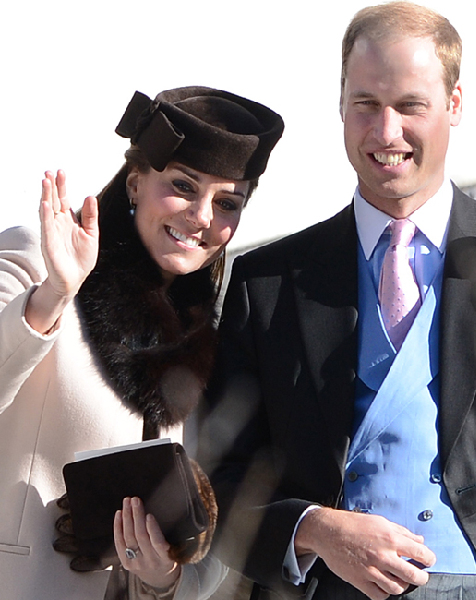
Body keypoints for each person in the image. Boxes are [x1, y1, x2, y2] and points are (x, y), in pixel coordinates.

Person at [203, 3, 476, 600]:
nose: (385, 132)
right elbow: (220, 479)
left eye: (410, 105)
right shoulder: (266, 281)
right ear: (340, 104)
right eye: (365, 103)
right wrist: (314, 528)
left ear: (455, 105)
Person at [0, 86, 283, 600]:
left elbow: (214, 528)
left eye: (227, 202)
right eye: (182, 185)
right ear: (135, 183)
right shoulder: (40, 261)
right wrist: (53, 297)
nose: (201, 216)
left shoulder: (215, 338)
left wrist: (165, 579)